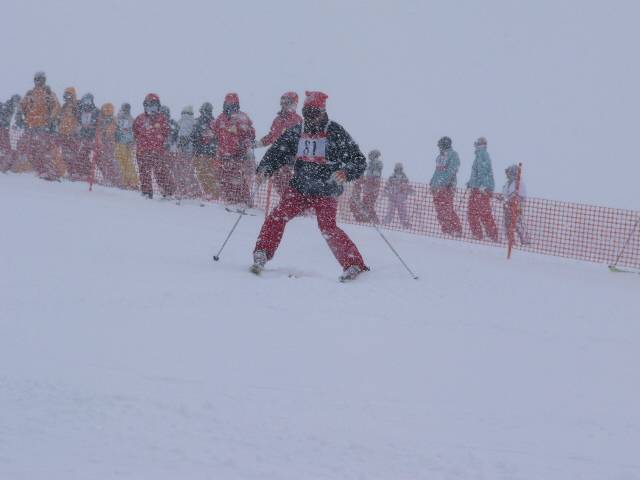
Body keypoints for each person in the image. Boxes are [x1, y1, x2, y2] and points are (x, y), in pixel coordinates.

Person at [251, 91, 368, 281]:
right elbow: (277, 151)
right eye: (307, 113)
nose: (311, 117)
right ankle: (262, 252)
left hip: (326, 190)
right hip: (300, 188)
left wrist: (346, 172)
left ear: (323, 112)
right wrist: (265, 168)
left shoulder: (335, 131)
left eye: (314, 113)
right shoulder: (298, 131)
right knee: (278, 216)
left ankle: (354, 264)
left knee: (328, 228)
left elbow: (358, 159)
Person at [255, 91, 303, 199]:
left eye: (287, 102)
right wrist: (260, 143)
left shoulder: (297, 120)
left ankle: (292, 202)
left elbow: (301, 140)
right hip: (276, 157)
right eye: (283, 102)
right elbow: (272, 136)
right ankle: (286, 201)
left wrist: (294, 156)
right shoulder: (278, 120)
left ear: (294, 104)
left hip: (289, 159)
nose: (284, 105)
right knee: (278, 182)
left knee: (288, 182)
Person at [212, 93, 256, 205]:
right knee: (222, 178)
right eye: (227, 103)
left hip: (237, 154)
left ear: (236, 104)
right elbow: (214, 131)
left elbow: (250, 134)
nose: (228, 106)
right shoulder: (221, 118)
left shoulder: (242, 117)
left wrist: (244, 144)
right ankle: (229, 199)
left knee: (237, 178)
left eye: (231, 104)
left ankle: (244, 201)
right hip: (223, 154)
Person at [20, 71, 60, 180]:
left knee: (44, 150)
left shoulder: (49, 93)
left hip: (43, 126)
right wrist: (21, 115)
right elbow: (22, 105)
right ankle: (41, 171)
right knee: (31, 150)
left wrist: (51, 118)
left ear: (44, 80)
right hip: (31, 126)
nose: (38, 81)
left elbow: (56, 106)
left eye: (40, 79)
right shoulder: (30, 93)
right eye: (36, 79)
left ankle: (51, 173)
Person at [133, 93, 174, 199]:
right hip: (143, 151)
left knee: (161, 172)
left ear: (158, 106)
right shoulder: (140, 119)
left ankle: (168, 193)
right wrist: (141, 142)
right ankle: (146, 192)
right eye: (149, 105)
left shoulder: (162, 119)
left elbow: (167, 133)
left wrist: (166, 143)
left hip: (158, 151)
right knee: (144, 172)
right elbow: (135, 132)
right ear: (145, 106)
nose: (151, 108)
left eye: (154, 105)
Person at [466, 137, 498, 242]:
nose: (475, 145)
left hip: (480, 190)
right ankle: (492, 235)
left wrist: (483, 186)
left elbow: (483, 172)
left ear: (480, 144)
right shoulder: (480, 155)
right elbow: (477, 173)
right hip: (480, 188)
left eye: (477, 143)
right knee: (483, 213)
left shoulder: (482, 155)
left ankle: (479, 234)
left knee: (474, 213)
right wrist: (471, 183)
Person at [430, 136, 462, 236]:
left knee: (447, 209)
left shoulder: (453, 155)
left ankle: (456, 229)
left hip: (447, 187)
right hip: (437, 187)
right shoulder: (440, 156)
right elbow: (437, 171)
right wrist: (432, 183)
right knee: (439, 209)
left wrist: (443, 184)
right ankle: (446, 229)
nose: (439, 147)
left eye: (440, 145)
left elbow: (451, 172)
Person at [191, 102, 219, 200]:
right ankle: (210, 193)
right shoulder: (213, 122)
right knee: (204, 174)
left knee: (206, 174)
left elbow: (193, 136)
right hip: (205, 152)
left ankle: (213, 194)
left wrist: (200, 139)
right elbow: (193, 136)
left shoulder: (205, 122)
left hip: (205, 153)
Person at [173, 105, 201, 200]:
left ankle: (183, 190)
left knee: (179, 170)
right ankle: (194, 191)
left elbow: (176, 135)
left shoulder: (180, 122)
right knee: (189, 171)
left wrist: (178, 144)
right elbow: (196, 137)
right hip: (190, 150)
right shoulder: (194, 122)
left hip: (181, 150)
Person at [349, 149, 383, 223]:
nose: (369, 157)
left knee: (368, 206)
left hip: (372, 190)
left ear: (374, 155)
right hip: (368, 189)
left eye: (370, 155)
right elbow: (369, 177)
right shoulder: (370, 163)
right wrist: (365, 180)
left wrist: (369, 181)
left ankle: (374, 221)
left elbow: (375, 177)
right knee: (366, 205)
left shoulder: (376, 164)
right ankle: (367, 219)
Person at [500, 164, 530, 245]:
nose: (507, 175)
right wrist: (502, 197)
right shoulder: (508, 183)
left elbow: (521, 196)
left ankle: (525, 241)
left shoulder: (519, 183)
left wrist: (513, 199)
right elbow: (505, 193)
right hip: (507, 207)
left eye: (508, 173)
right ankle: (511, 241)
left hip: (516, 207)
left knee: (517, 224)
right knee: (508, 224)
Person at [94, 103, 121, 186]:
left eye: (109, 110)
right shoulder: (100, 119)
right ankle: (106, 176)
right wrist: (98, 137)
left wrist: (105, 134)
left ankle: (114, 178)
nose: (107, 111)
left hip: (109, 142)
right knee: (99, 159)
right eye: (105, 109)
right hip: (101, 142)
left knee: (109, 160)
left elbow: (112, 131)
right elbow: (97, 130)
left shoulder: (113, 120)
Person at [74, 93, 99, 181]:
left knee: (86, 154)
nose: (87, 103)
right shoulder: (81, 110)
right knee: (81, 155)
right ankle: (82, 172)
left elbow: (98, 123)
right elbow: (78, 121)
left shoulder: (95, 111)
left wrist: (93, 128)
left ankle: (88, 173)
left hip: (91, 137)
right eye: (85, 101)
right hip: (82, 137)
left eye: (89, 101)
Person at [55, 87, 79, 178]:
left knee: (72, 155)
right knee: (65, 154)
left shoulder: (76, 106)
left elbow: (78, 119)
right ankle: (69, 172)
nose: (66, 97)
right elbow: (60, 118)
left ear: (72, 95)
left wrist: (75, 130)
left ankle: (74, 172)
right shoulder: (64, 106)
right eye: (66, 95)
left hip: (72, 134)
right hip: (63, 133)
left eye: (68, 95)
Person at [115, 103, 139, 189]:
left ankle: (132, 181)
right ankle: (124, 181)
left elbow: (133, 132)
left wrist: (132, 141)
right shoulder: (118, 118)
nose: (126, 110)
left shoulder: (130, 119)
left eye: (127, 108)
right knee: (120, 162)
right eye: (125, 108)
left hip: (127, 143)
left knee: (128, 162)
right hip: (119, 143)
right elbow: (115, 129)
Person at [383, 162, 414, 228]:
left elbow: (407, 186)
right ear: (395, 169)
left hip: (401, 199)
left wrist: (410, 191)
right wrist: (385, 191)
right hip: (392, 198)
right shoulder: (392, 177)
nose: (398, 170)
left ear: (401, 169)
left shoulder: (404, 178)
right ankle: (386, 222)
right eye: (397, 169)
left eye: (400, 169)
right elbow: (387, 185)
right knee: (390, 212)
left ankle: (405, 223)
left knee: (403, 213)